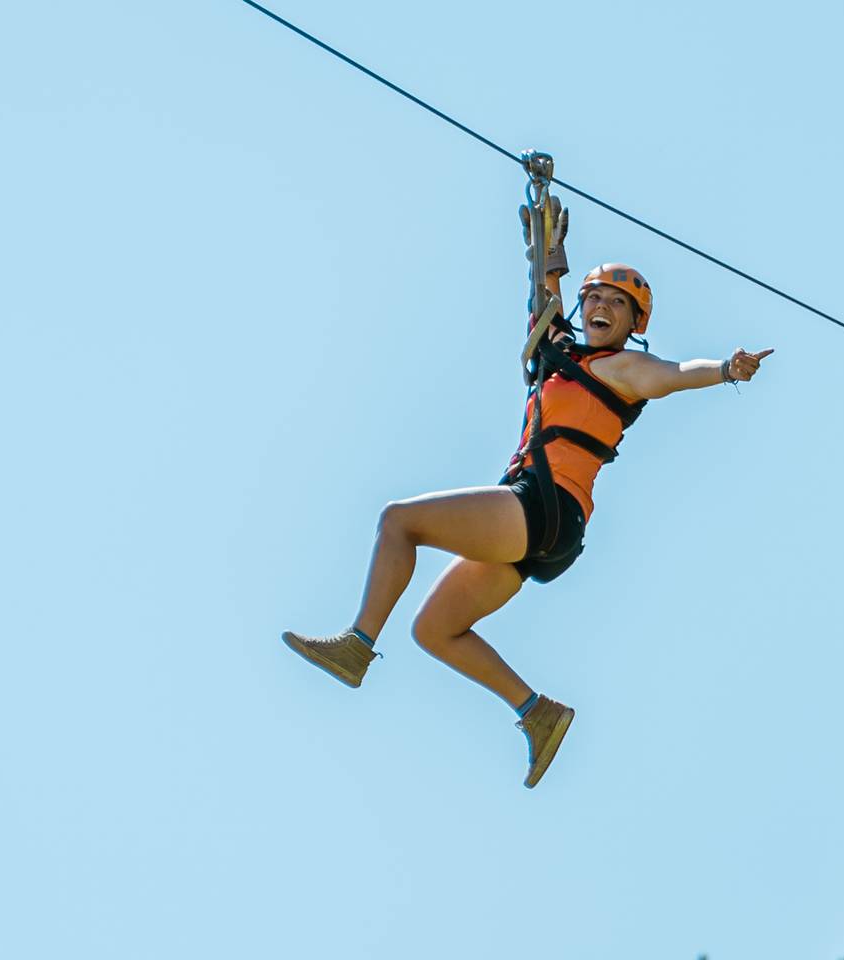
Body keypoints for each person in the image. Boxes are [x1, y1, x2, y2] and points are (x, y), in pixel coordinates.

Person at [282, 201, 773, 788]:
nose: (600, 307)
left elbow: (676, 373)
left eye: (618, 303)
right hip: (545, 523)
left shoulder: (626, 368)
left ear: (634, 323)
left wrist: (726, 369)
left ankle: (357, 646)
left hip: (544, 508)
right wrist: (548, 251)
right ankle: (537, 713)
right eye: (595, 297)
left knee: (398, 521)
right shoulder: (564, 353)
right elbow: (547, 304)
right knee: (434, 628)